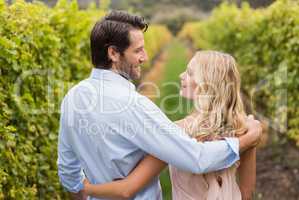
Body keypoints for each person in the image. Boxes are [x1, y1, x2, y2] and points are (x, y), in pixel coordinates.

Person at [57, 10, 262, 200]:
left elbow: (67, 172)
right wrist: (246, 140)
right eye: (138, 50)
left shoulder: (72, 98)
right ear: (113, 53)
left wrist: (85, 191)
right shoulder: (135, 106)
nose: (145, 57)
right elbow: (196, 158)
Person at [81, 51, 257, 200]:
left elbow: (128, 188)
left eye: (189, 72)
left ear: (206, 82)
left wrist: (86, 188)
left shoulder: (178, 132)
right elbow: (246, 193)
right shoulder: (246, 128)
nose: (182, 75)